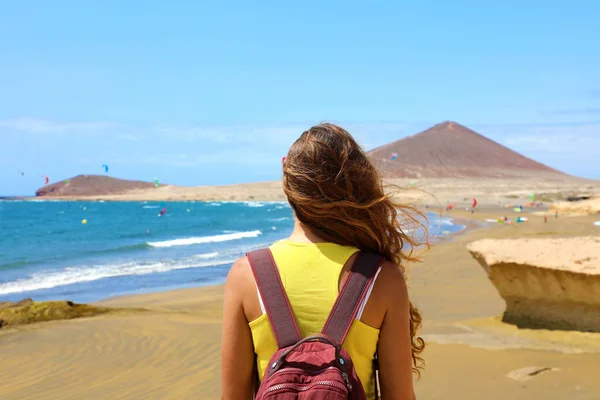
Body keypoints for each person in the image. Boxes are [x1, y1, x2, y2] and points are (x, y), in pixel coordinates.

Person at [221, 123, 426, 399]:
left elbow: (233, 396)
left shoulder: (246, 276)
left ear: (286, 179)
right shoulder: (381, 278)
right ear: (358, 186)